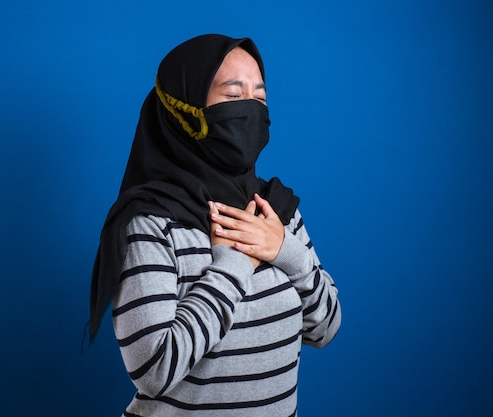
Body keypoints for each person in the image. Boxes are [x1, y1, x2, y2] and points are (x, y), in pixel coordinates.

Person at [88, 34, 341, 416]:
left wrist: (286, 252)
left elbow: (324, 329)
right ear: (185, 109)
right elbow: (154, 371)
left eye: (260, 96)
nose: (251, 109)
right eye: (232, 95)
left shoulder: (275, 211)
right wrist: (234, 264)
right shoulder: (150, 223)